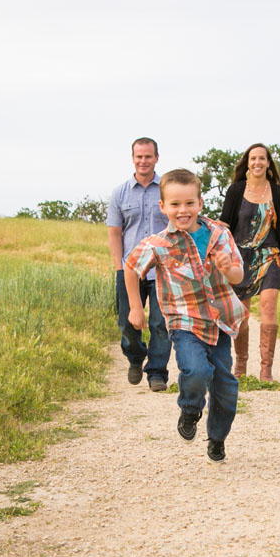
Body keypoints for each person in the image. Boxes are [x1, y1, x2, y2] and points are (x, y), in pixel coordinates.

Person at [124, 168, 246, 463]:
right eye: (175, 204)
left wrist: (228, 267)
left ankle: (217, 437)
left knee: (226, 387)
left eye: (189, 203)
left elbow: (238, 276)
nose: (183, 210)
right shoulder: (159, 243)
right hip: (184, 320)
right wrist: (136, 307)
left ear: (200, 203)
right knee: (196, 371)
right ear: (163, 207)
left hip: (219, 322)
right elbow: (131, 267)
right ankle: (190, 409)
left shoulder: (219, 234)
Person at [218, 143, 280, 382]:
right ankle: (240, 367)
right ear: (247, 163)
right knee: (241, 314)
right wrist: (221, 256)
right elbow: (224, 226)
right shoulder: (236, 190)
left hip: (270, 255)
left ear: (268, 163)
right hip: (240, 258)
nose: (257, 163)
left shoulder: (279, 193)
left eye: (262, 158)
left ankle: (266, 370)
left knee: (269, 307)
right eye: (253, 159)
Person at [107, 137, 172, 392]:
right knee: (126, 321)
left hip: (163, 269)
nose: (143, 161)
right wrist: (118, 267)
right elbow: (115, 233)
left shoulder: (167, 189)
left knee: (160, 323)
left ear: (156, 158)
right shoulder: (120, 193)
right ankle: (135, 356)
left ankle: (157, 372)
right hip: (129, 269)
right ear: (133, 158)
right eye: (139, 156)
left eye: (148, 156)